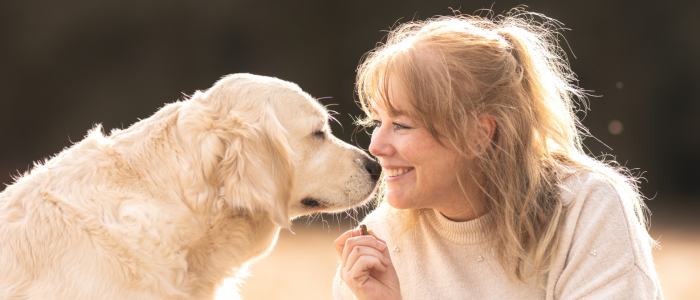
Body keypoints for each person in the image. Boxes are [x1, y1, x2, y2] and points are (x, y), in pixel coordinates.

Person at [332, 10, 663, 300]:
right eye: (378, 121)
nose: (375, 146)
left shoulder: (587, 209)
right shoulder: (378, 244)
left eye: (401, 124)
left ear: (479, 134)